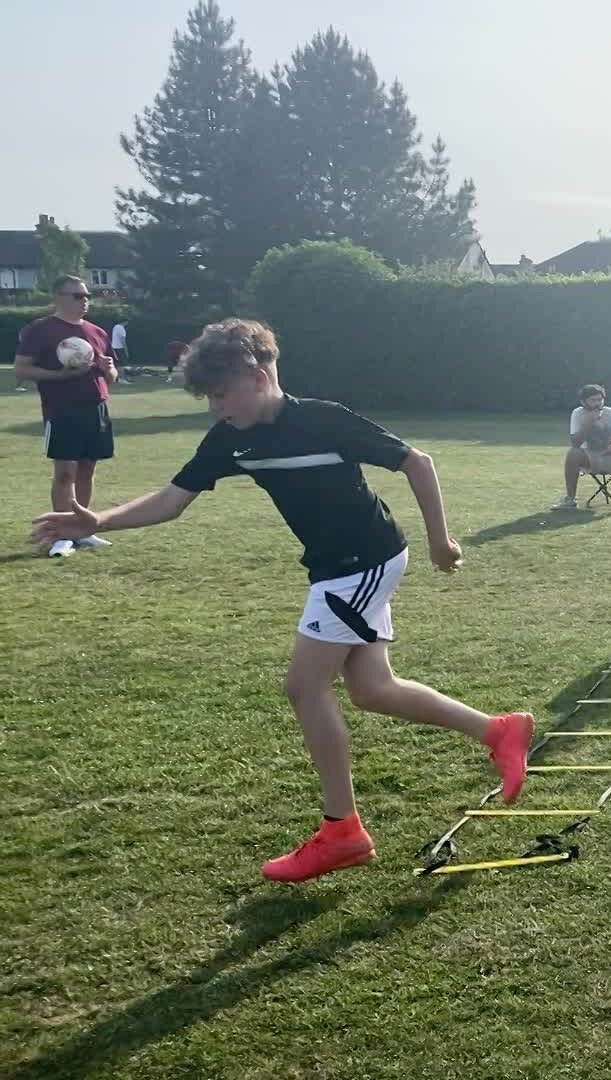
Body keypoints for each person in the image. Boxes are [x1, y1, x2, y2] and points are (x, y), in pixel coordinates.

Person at [31, 318, 534, 884]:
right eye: (210, 398)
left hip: (362, 561)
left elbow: (417, 462)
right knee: (372, 690)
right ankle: (499, 731)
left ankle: (342, 831)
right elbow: (174, 499)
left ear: (257, 373)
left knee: (303, 686)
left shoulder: (321, 419)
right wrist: (99, 519)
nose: (216, 406)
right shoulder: (231, 437)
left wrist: (442, 541)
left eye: (222, 392)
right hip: (333, 567)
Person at [12, 275, 117, 557]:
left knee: (87, 470)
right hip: (63, 409)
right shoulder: (41, 330)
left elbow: (113, 376)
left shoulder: (97, 331)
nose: (85, 301)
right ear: (58, 296)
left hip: (96, 407)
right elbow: (21, 369)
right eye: (77, 296)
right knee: (65, 474)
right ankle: (61, 535)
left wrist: (108, 369)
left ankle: (83, 530)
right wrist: (60, 375)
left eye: (86, 296)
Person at [550, 383, 611, 512]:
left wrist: (602, 453)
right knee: (572, 453)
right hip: (587, 456)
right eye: (593, 400)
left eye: (600, 399)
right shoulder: (577, 414)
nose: (597, 403)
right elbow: (575, 443)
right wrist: (588, 423)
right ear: (583, 402)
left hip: (610, 455)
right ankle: (570, 500)